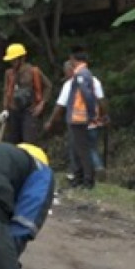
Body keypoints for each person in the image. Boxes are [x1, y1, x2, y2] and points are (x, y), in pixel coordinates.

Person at [44, 50, 106, 189]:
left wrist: (51, 122)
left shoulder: (74, 82)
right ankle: (88, 173)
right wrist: (103, 116)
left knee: (80, 151)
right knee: (89, 149)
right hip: (92, 122)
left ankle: (86, 179)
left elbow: (60, 106)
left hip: (78, 120)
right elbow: (101, 101)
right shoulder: (93, 79)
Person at [0, 43, 52, 146]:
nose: (12, 62)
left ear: (22, 58)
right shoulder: (9, 73)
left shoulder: (33, 71)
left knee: (29, 143)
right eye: (11, 60)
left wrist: (42, 104)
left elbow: (48, 86)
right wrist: (5, 109)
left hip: (30, 112)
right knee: (13, 142)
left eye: (14, 60)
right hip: (14, 112)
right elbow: (6, 91)